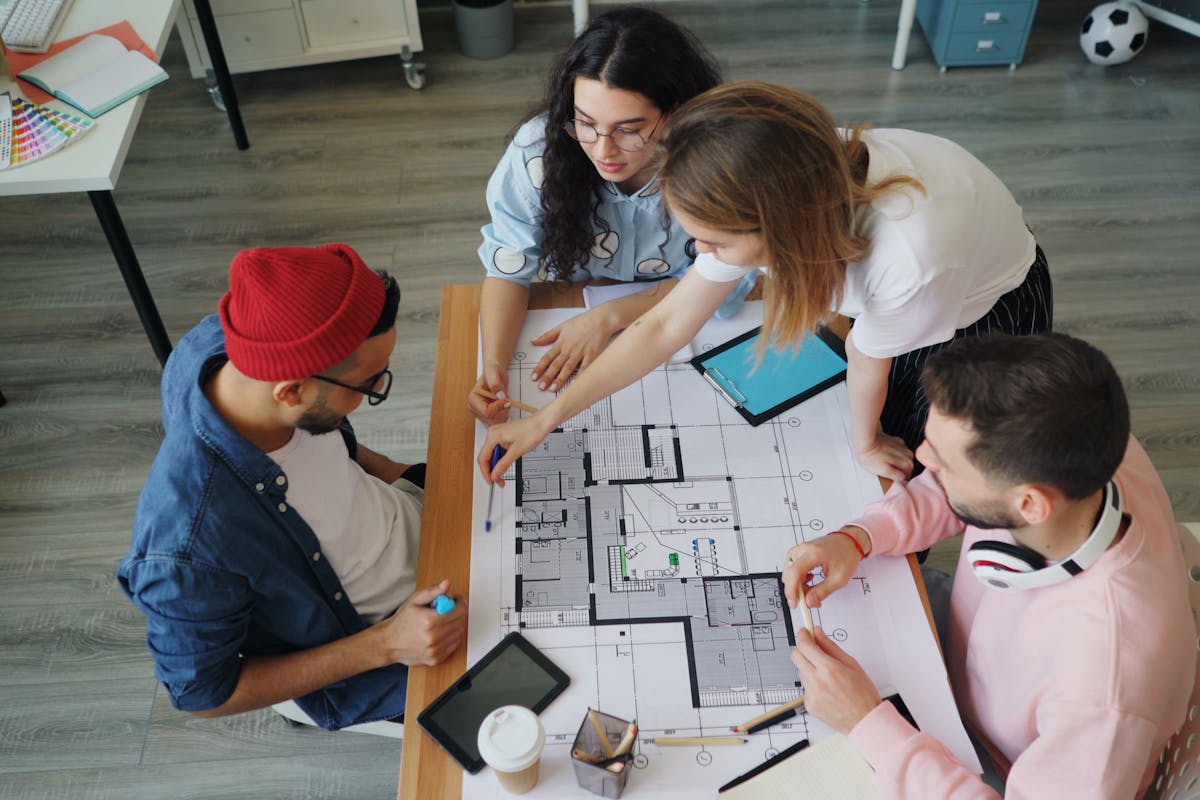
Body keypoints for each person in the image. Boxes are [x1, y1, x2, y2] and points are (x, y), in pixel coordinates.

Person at [476, 81, 1052, 483]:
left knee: (927, 456)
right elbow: (665, 325)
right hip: (899, 276)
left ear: (777, 227)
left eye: (717, 244)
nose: (702, 256)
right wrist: (545, 420)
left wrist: (866, 442)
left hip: (981, 308)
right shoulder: (768, 179)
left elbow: (867, 354)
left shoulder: (908, 258)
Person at [782, 333, 1192, 799]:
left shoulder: (1104, 691)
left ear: (1030, 505)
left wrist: (867, 723)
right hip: (963, 667)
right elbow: (953, 493)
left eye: (945, 463)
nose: (921, 458)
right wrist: (858, 538)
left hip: (1000, 769)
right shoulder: (1075, 444)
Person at [119, 244, 466, 731]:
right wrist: (387, 643)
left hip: (414, 526)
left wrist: (409, 474)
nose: (374, 393)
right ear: (290, 392)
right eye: (369, 385)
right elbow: (200, 693)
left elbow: (330, 451)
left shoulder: (230, 346)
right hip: (387, 634)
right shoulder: (186, 547)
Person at [468, 7, 745, 424]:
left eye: (629, 130)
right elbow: (508, 264)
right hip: (588, 305)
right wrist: (493, 367)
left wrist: (610, 316)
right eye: (585, 123)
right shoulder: (537, 154)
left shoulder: (719, 162)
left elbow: (736, 274)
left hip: (688, 317)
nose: (602, 150)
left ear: (678, 111)